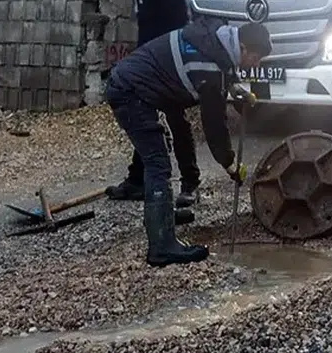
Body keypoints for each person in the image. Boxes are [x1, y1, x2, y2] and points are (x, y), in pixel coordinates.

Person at [105, 16, 272, 266]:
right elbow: (214, 126)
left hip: (149, 85)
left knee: (160, 144)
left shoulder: (215, 37)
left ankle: (159, 211)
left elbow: (220, 67)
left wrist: (234, 87)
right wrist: (230, 165)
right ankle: (161, 247)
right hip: (130, 91)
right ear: (244, 48)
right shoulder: (208, 67)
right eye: (255, 58)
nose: (255, 64)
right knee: (158, 163)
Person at [102, 0, 201, 209]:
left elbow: (177, 28)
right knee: (143, 120)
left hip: (170, 65)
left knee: (176, 121)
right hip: (149, 66)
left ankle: (190, 183)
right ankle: (138, 179)